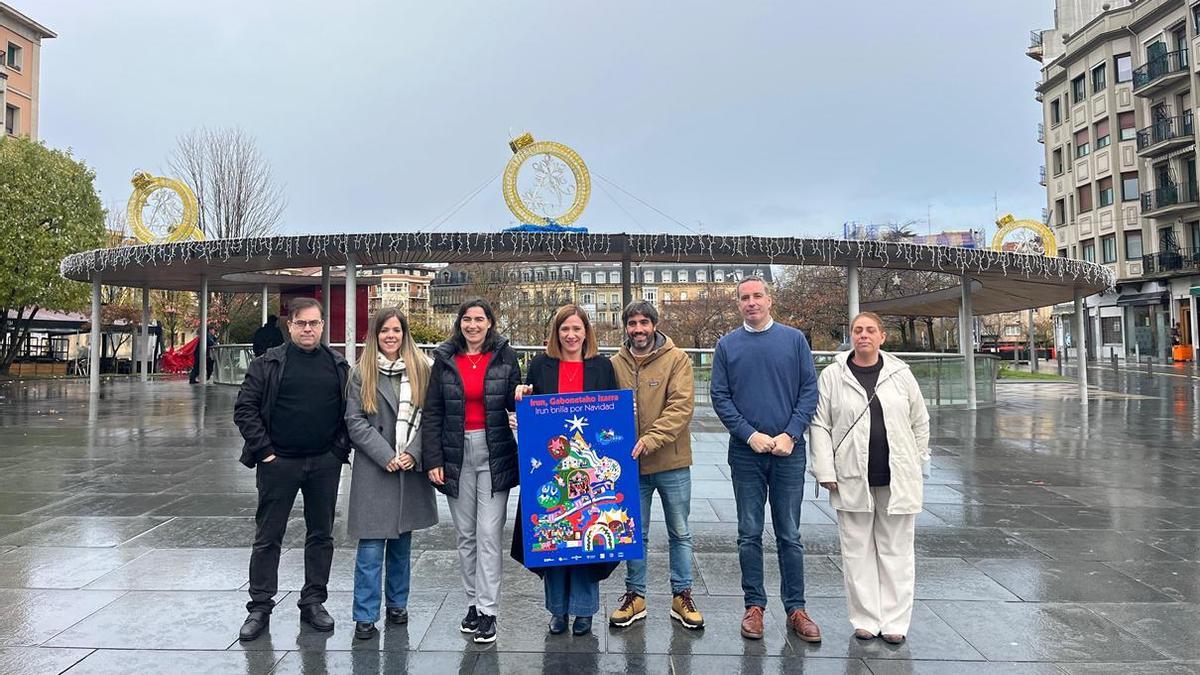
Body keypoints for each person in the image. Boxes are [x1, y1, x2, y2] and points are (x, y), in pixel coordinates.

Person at [709, 275, 821, 642]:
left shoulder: (794, 340)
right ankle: (754, 606)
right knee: (749, 533)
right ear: (738, 304)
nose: (751, 302)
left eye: (757, 296)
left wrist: (791, 433)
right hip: (746, 454)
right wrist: (749, 434)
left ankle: (796, 608)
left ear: (770, 300)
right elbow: (720, 396)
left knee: (790, 534)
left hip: (789, 451)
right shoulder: (727, 346)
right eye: (745, 298)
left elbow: (809, 390)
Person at [233, 297, 350, 641]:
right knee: (268, 536)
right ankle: (260, 606)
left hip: (324, 463)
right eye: (302, 323)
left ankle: (313, 601)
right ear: (290, 326)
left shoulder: (338, 365)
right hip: (278, 463)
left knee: (321, 535)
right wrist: (265, 452)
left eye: (314, 323)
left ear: (323, 325)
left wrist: (338, 451)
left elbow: (351, 413)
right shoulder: (268, 363)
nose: (308, 329)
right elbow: (245, 409)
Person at [810, 312, 929, 645]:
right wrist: (824, 470)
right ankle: (864, 618)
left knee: (897, 551)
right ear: (850, 336)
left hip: (896, 477)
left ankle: (895, 621)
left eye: (870, 330)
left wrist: (917, 460)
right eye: (858, 330)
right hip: (850, 475)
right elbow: (820, 424)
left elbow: (920, 421)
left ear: (882, 337)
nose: (863, 335)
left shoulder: (900, 374)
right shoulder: (833, 375)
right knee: (856, 550)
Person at [513, 304, 619, 637]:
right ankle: (557, 610)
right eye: (565, 329)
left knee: (588, 534)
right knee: (555, 538)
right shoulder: (541, 366)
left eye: (576, 329)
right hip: (552, 470)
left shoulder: (602, 367)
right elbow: (531, 413)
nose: (571, 335)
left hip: (590, 468)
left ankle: (584, 611)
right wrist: (521, 399)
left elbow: (611, 417)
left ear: (586, 332)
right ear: (556, 333)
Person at [422, 299, 521, 644]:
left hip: (494, 452)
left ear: (490, 322)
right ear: (459, 323)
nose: (473, 325)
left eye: (480, 319)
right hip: (456, 452)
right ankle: (473, 605)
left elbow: (513, 400)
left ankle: (489, 610)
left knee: (489, 533)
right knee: (466, 535)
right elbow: (432, 412)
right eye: (467, 319)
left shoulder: (505, 356)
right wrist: (433, 460)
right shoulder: (445, 359)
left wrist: (522, 398)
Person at [608, 300, 702, 629]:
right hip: (631, 465)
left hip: (671, 461)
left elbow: (681, 407)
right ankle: (635, 596)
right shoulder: (614, 364)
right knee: (635, 533)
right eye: (632, 323)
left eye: (644, 323)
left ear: (654, 325)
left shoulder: (677, 360)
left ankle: (682, 595)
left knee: (680, 532)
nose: (638, 329)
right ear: (626, 327)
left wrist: (651, 439)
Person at [344, 308, 437, 640]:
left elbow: (431, 417)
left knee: (402, 543)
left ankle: (398, 604)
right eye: (385, 330)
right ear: (375, 335)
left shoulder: (422, 369)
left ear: (404, 334)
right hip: (376, 468)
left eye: (396, 330)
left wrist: (414, 453)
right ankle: (365, 614)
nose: (391, 336)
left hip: (409, 468)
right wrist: (386, 455)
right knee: (370, 547)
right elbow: (354, 421)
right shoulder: (361, 372)